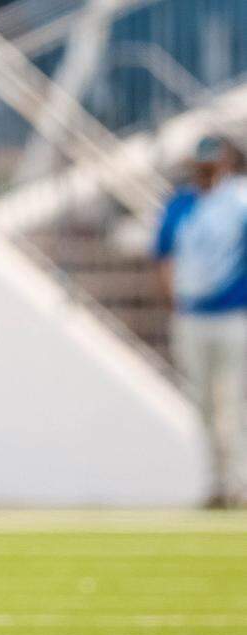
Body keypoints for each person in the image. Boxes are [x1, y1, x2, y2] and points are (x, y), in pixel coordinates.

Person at [154, 136, 247, 509]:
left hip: (230, 316)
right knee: (205, 406)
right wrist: (175, 303)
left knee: (228, 402)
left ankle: (234, 482)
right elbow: (164, 256)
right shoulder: (181, 204)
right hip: (191, 316)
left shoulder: (239, 201)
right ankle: (215, 483)